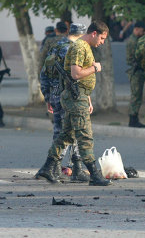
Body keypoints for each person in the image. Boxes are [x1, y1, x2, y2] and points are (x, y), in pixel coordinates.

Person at [35, 21, 111, 186]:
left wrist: (87, 97)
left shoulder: (78, 46)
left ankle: (48, 167)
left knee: (66, 134)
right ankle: (94, 174)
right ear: (93, 33)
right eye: (102, 38)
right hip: (75, 97)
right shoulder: (78, 47)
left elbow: (69, 77)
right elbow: (76, 74)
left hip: (74, 94)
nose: (102, 42)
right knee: (84, 135)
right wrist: (95, 68)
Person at [38, 23, 89, 182]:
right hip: (70, 96)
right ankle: (71, 168)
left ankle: (55, 168)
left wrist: (47, 96)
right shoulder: (76, 49)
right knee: (74, 130)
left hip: (55, 94)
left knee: (59, 131)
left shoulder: (54, 47)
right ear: (81, 35)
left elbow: (44, 73)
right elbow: (78, 76)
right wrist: (86, 97)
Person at [125, 21, 145, 128]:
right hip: (136, 71)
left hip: (137, 70)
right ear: (137, 29)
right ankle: (133, 118)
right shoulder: (133, 41)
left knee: (137, 95)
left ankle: (134, 118)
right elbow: (135, 57)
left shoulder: (135, 40)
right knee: (136, 95)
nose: (143, 33)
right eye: (142, 31)